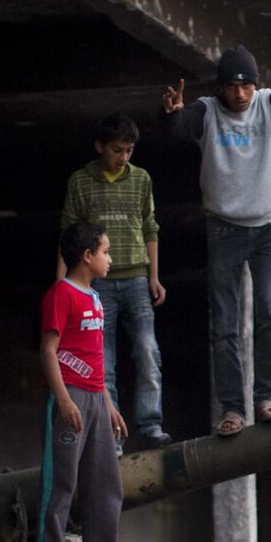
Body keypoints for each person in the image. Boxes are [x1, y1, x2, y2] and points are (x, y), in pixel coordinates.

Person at [159, 45, 271, 436]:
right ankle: (232, 409)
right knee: (224, 324)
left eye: (246, 86)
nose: (240, 95)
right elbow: (182, 125)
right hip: (223, 229)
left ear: (255, 86)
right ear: (221, 88)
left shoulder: (268, 106)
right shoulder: (208, 111)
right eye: (231, 87)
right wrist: (171, 114)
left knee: (269, 312)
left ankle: (264, 399)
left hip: (268, 228)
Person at [60, 114, 171, 448]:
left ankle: (150, 426)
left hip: (136, 277)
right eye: (117, 150)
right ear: (99, 147)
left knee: (148, 352)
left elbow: (150, 227)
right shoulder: (80, 181)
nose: (123, 157)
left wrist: (154, 276)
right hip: (96, 287)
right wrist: (63, 286)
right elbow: (67, 234)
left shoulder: (142, 179)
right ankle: (113, 437)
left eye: (129, 150)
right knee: (102, 363)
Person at [36, 222, 130, 542]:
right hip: (70, 397)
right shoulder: (61, 294)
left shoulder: (94, 298)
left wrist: (108, 404)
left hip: (96, 398)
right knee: (60, 483)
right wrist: (63, 400)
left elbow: (94, 359)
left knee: (107, 486)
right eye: (105, 251)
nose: (110, 258)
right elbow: (48, 352)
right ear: (87, 256)